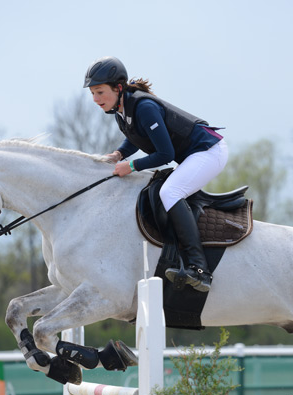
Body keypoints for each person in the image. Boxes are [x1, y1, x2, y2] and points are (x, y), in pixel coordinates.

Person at [84, 56, 228, 292]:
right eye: (92, 93)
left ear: (118, 88)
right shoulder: (122, 110)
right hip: (195, 154)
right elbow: (136, 137)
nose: (95, 99)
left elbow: (165, 153)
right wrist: (119, 154)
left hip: (209, 151)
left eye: (100, 92)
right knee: (167, 190)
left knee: (170, 191)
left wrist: (131, 166)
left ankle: (199, 269)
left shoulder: (144, 107)